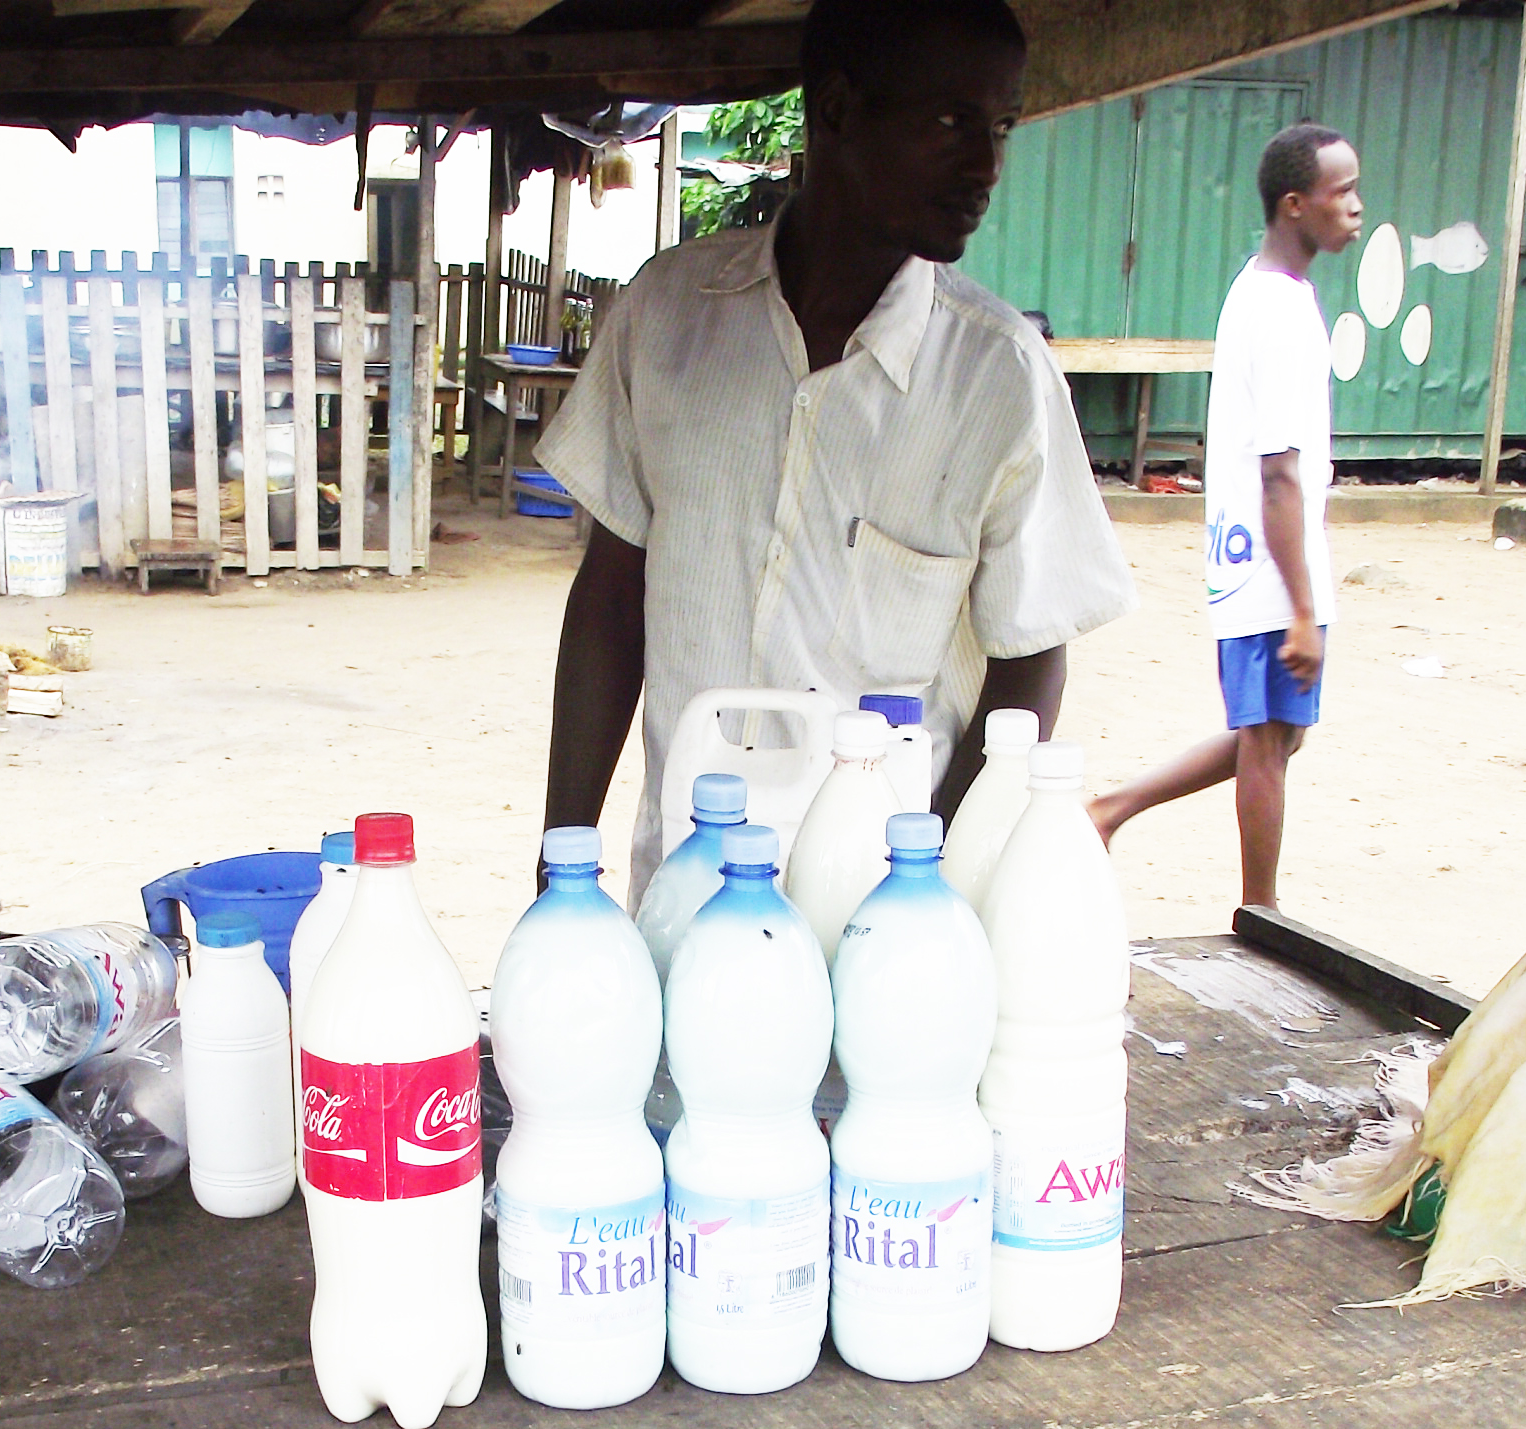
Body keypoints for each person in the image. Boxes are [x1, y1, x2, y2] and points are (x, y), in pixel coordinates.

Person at [535, 0, 1132, 898]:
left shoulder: (998, 377)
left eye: (1001, 126)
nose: (987, 166)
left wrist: (926, 884)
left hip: (878, 917)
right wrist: (559, 857)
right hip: (685, 900)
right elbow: (610, 604)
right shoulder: (667, 317)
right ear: (841, 109)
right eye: (950, 122)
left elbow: (1029, 654)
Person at [1086, 123, 1361, 912]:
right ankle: (1262, 913)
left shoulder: (1275, 291)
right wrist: (1303, 609)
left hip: (1265, 556)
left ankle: (1111, 809)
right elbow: (1279, 474)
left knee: (1274, 733)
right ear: (1295, 204)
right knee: (1270, 742)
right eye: (1341, 192)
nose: (1356, 206)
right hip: (1271, 563)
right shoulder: (1276, 311)